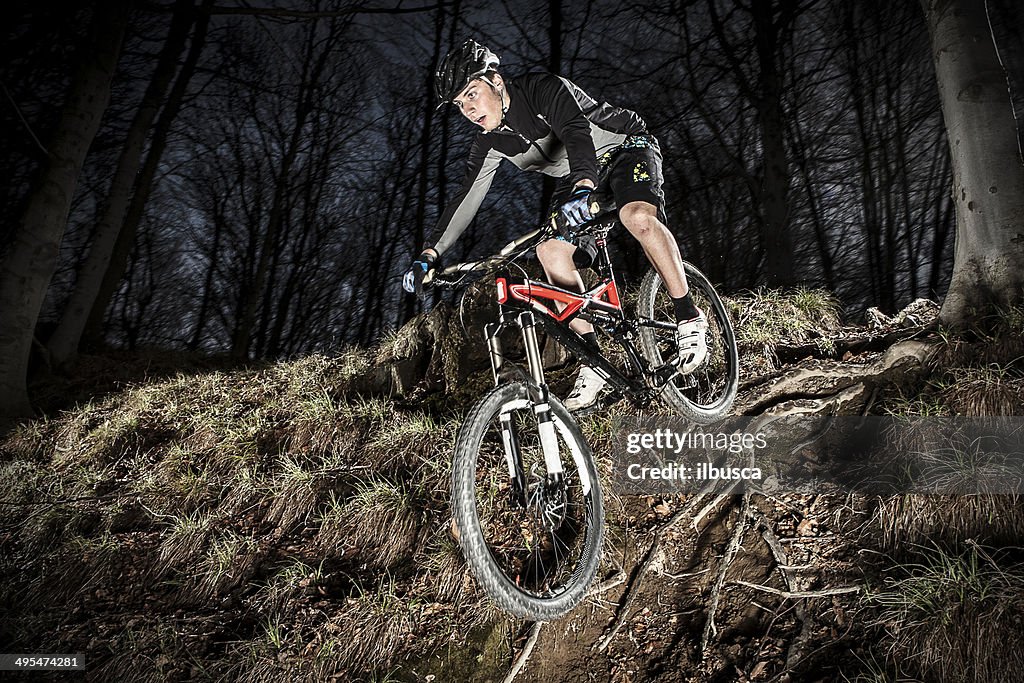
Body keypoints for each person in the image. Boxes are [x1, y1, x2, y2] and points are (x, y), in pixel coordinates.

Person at [403, 39, 707, 410]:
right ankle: (593, 361)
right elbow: (465, 199)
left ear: (496, 82)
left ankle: (689, 317)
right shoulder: (488, 143)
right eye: (460, 104)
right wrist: (429, 254)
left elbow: (576, 132)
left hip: (624, 149)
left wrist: (583, 187)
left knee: (637, 217)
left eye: (472, 93)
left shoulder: (542, 89)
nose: (468, 109)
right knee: (549, 250)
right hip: (575, 179)